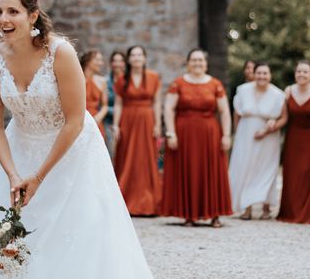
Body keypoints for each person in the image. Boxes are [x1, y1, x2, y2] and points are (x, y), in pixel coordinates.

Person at [0, 0, 156, 279]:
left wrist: (39, 176)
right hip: (18, 152)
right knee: (19, 237)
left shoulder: (60, 52)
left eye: (12, 11)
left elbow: (75, 121)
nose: (3, 19)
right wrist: (13, 173)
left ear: (32, 15)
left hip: (71, 152)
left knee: (76, 235)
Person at [161, 48, 233, 227]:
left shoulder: (215, 84)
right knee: (189, 169)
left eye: (200, 60)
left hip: (210, 133)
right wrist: (170, 133)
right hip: (184, 133)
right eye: (194, 60)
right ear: (188, 63)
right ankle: (189, 214)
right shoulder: (178, 83)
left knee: (212, 170)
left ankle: (215, 214)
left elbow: (224, 111)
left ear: (206, 64)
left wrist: (226, 135)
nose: (197, 64)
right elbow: (168, 108)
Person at [229, 62, 287, 220]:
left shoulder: (278, 94)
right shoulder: (242, 90)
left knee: (266, 170)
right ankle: (246, 208)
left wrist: (269, 129)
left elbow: (284, 118)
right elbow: (237, 114)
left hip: (268, 138)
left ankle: (266, 207)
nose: (262, 76)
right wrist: (236, 133)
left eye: (265, 73)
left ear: (270, 75)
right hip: (245, 135)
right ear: (253, 74)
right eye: (259, 73)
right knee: (246, 168)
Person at [278, 60, 310, 223]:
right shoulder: (288, 91)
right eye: (299, 71)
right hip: (294, 138)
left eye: (305, 72)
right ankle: (292, 211)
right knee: (294, 174)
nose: (301, 74)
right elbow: (283, 117)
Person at [113, 45, 162, 216]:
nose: (136, 58)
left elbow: (156, 102)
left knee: (146, 158)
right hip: (128, 119)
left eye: (139, 55)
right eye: (133, 55)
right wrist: (116, 125)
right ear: (128, 59)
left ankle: (148, 202)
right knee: (128, 157)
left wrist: (157, 124)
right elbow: (118, 103)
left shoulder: (153, 77)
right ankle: (125, 201)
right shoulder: (121, 80)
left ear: (145, 58)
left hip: (147, 119)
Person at [80, 49, 108, 138]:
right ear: (88, 61)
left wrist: (98, 118)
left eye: (101, 60)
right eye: (97, 60)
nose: (101, 63)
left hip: (96, 120)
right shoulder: (78, 80)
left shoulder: (102, 81)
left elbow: (105, 105)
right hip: (80, 119)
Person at [103, 51, 125, 157]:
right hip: (109, 122)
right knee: (111, 153)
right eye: (115, 61)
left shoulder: (128, 81)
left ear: (124, 63)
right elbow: (102, 105)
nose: (117, 64)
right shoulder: (106, 81)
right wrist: (114, 111)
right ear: (111, 63)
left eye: (120, 61)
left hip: (127, 120)